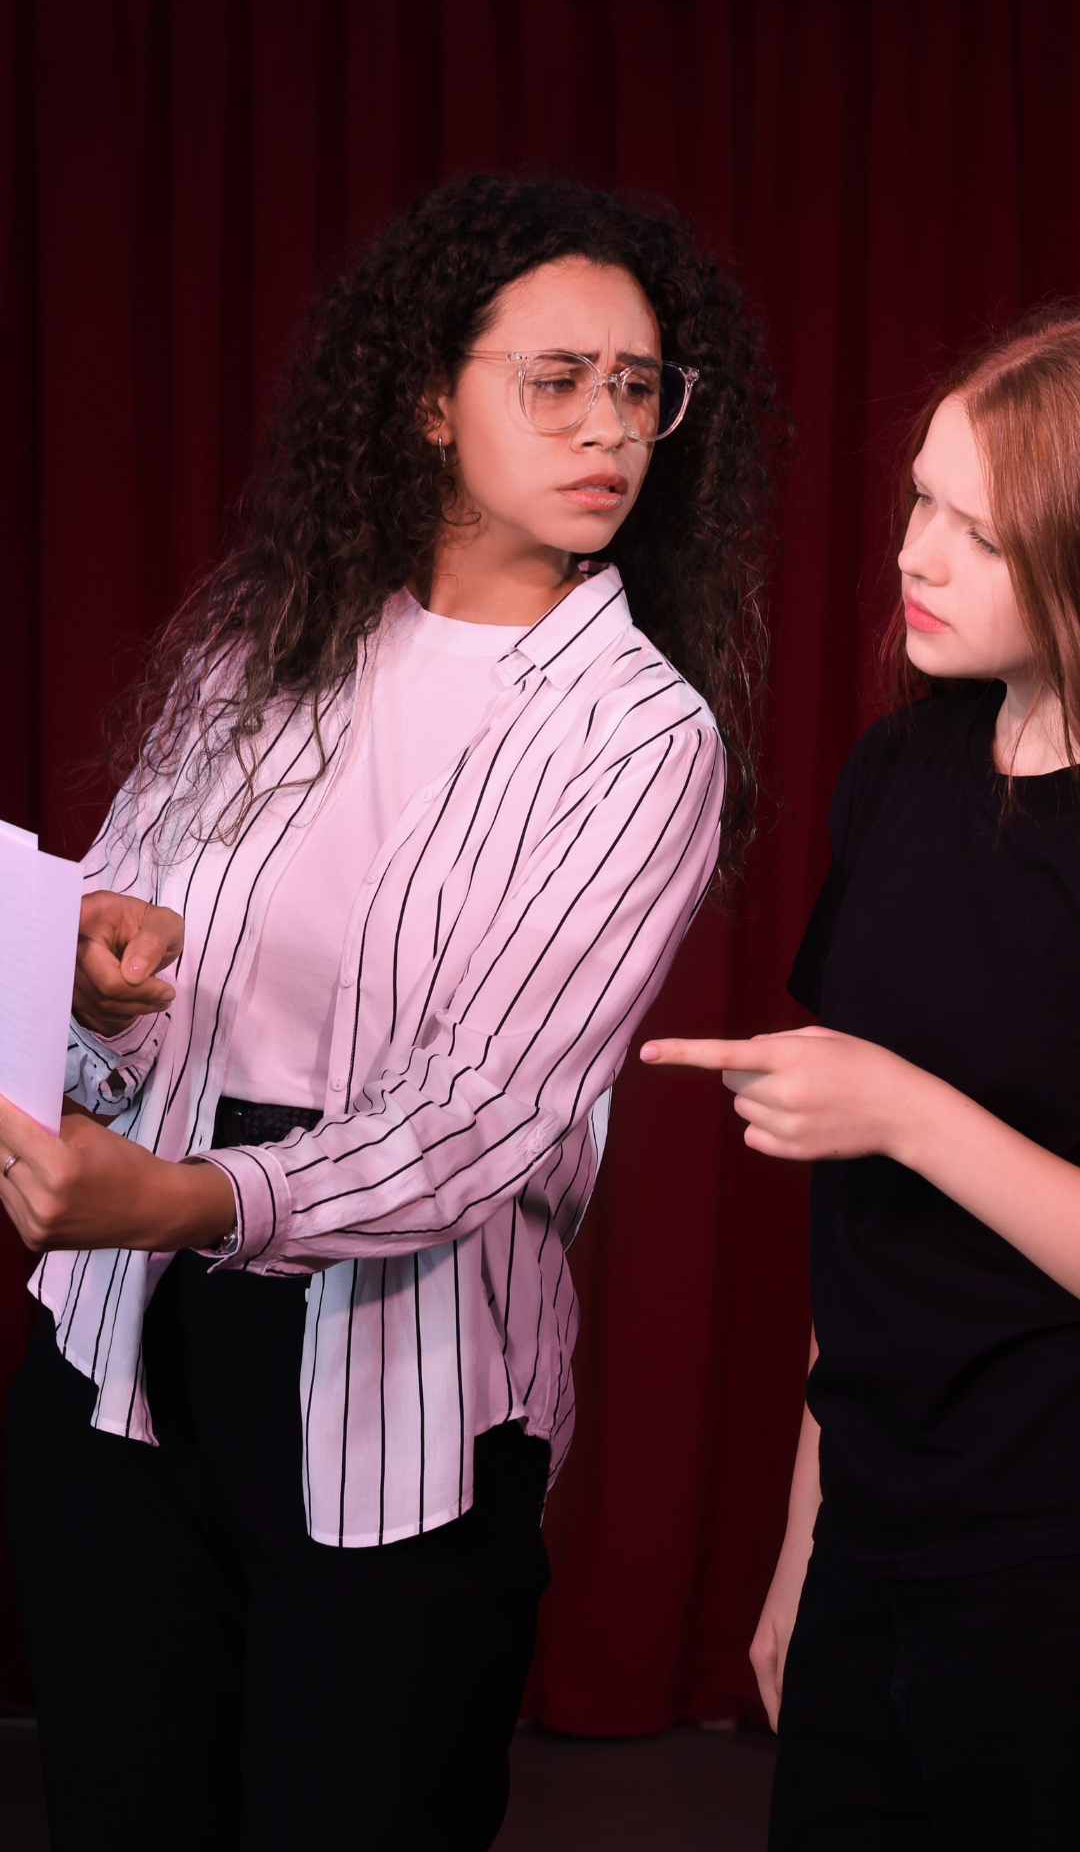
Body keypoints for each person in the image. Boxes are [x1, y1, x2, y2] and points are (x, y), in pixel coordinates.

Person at [0, 174, 775, 1852]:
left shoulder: (641, 739)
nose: (610, 428)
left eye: (641, 386)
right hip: (120, 1349)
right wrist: (89, 977)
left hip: (400, 1387)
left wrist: (198, 1201)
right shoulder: (266, 632)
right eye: (555, 378)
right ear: (428, 397)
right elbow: (111, 1004)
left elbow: (483, 1117)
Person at [642, 311, 1080, 1849]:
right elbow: (867, 1225)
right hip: (877, 1537)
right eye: (918, 503)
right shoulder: (902, 772)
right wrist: (803, 1540)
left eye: (983, 533)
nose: (919, 556)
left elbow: (892, 1126)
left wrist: (900, 1106)